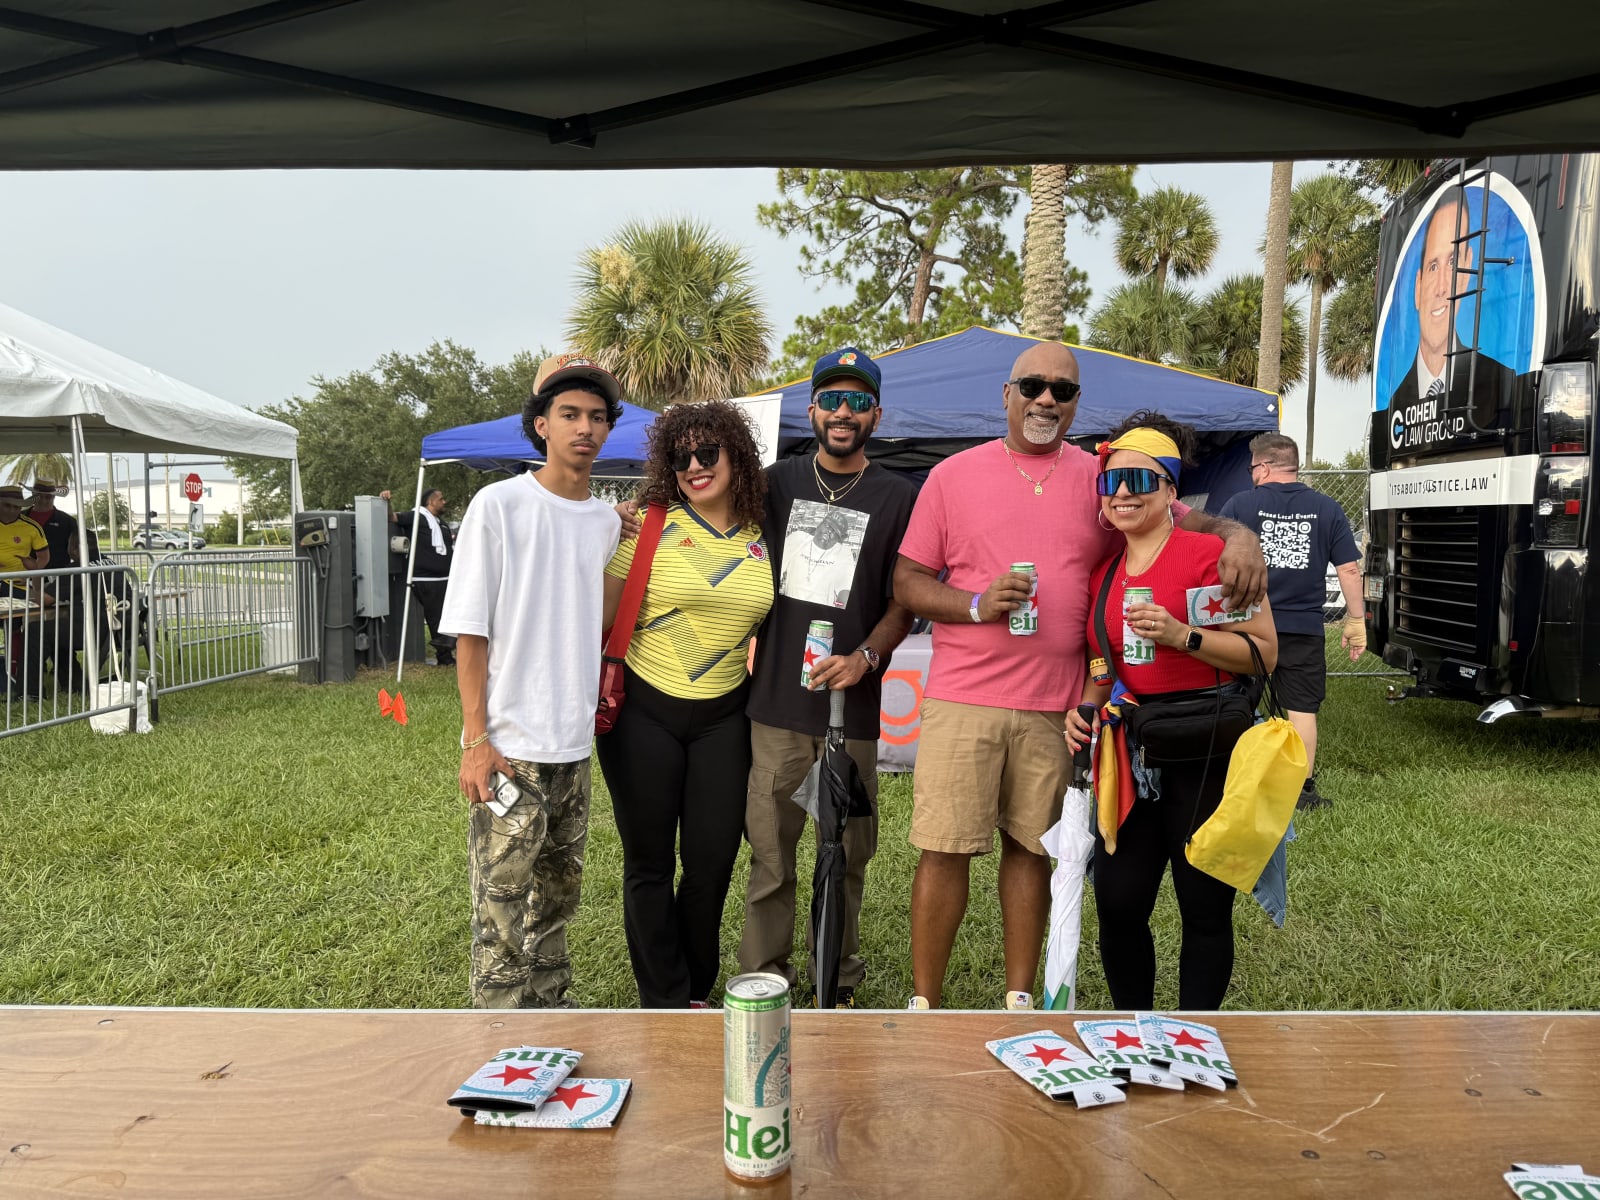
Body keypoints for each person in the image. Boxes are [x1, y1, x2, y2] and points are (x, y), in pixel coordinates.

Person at [892, 341, 1266, 1012]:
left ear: (1074, 405)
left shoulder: (1101, 478)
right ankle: (924, 1005)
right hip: (963, 697)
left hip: (1058, 705)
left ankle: (1020, 997)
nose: (1046, 399)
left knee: (1033, 849)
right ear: (1005, 395)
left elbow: (1180, 512)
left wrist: (1240, 537)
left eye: (1061, 391)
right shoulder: (953, 476)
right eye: (1033, 386)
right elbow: (909, 581)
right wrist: (976, 605)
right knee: (945, 849)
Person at [1067, 417, 1278, 1012]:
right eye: (1111, 483)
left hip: (1205, 746)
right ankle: (1135, 1028)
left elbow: (1263, 651)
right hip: (1132, 754)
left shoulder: (1208, 556)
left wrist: (1185, 637)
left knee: (1204, 906)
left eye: (1139, 480)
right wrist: (1085, 706)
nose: (1123, 494)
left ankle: (1195, 1034)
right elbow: (1101, 665)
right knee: (1118, 902)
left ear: (1170, 491)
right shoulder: (1103, 574)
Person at [439, 352, 624, 1009]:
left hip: (573, 749)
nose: (585, 428)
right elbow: (469, 632)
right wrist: (475, 739)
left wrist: (627, 537)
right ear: (540, 424)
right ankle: (497, 1029)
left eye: (598, 417)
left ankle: (552, 1010)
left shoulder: (605, 522)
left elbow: (597, 621)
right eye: (569, 414)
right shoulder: (500, 506)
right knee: (501, 897)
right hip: (511, 754)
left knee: (560, 893)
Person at [739, 346, 917, 1008]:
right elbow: (705, 512)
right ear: (811, 410)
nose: (844, 414)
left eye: (858, 403)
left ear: (876, 414)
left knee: (846, 858)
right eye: (832, 401)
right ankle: (764, 981)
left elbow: (905, 596)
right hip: (779, 707)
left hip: (858, 710)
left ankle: (833, 985)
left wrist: (866, 656)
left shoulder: (898, 495)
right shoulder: (775, 483)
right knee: (771, 858)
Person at [596, 399, 774, 1008]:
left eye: (707, 453)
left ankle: (696, 989)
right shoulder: (647, 523)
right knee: (648, 863)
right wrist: (594, 530)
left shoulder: (763, 532)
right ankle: (665, 999)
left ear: (736, 456)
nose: (694, 466)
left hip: (725, 716)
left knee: (711, 863)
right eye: (680, 456)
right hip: (643, 710)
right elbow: (598, 615)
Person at [1217, 432, 1362, 810]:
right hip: (1303, 627)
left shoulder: (1240, 505)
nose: (1252, 474)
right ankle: (1302, 791)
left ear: (1263, 467)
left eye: (1252, 468)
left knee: (1236, 702)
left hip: (1247, 624)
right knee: (1302, 709)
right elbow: (1348, 568)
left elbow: (1215, 562)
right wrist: (1356, 620)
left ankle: (1231, 779)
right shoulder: (1327, 508)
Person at [1386, 198, 1516, 428]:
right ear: (1418, 287)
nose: (1442, 287)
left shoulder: (1503, 383)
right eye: (1433, 266)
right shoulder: (1393, 407)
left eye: (1453, 263)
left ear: (1466, 274)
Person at [381, 486, 457, 666]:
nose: (444, 501)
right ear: (430, 502)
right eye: (441, 499)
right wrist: (387, 501)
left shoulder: (441, 523)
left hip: (445, 578)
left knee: (446, 615)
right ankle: (444, 657)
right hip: (425, 579)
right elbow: (392, 518)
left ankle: (447, 650)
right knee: (436, 616)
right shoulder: (417, 517)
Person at [2, 483, 50, 697]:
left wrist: (34, 570)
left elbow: (44, 556)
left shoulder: (31, 527)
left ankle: (14, 674)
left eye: (16, 506)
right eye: (7, 505)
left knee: (15, 629)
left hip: (19, 588)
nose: (12, 510)